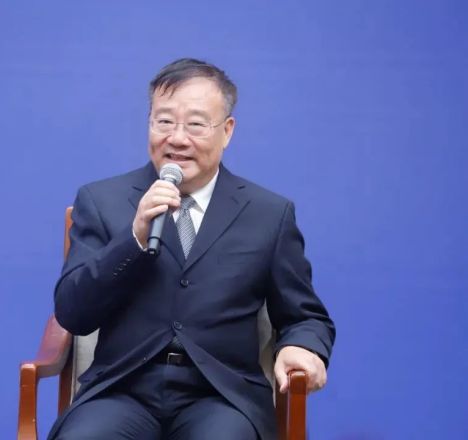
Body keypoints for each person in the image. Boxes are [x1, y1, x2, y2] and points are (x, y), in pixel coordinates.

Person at [49, 58, 335, 440]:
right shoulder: (102, 201)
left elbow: (305, 315)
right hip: (121, 391)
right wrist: (133, 237)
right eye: (164, 121)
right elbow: (73, 313)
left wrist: (302, 346)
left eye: (196, 125)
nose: (177, 138)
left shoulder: (268, 214)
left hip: (220, 397)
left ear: (227, 131)